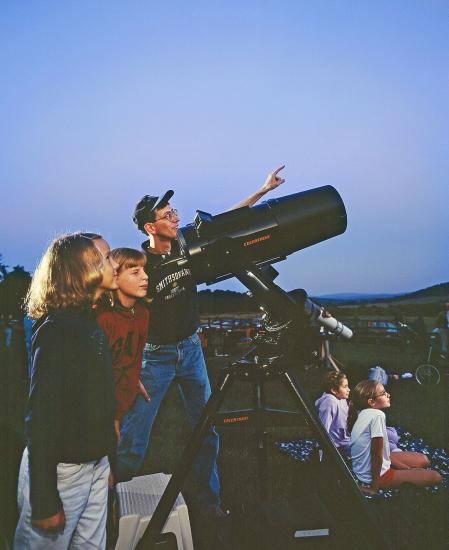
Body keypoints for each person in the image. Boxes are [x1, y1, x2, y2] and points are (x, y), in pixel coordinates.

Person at [117, 166, 285, 516]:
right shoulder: (140, 265)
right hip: (156, 357)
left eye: (174, 212)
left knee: (206, 429)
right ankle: (113, 505)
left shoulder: (185, 242)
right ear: (150, 227)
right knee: (134, 439)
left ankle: (211, 506)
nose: (175, 218)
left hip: (190, 352)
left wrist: (263, 190)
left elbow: (226, 219)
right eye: (167, 215)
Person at [13, 233, 119, 549]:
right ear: (80, 272)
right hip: (63, 471)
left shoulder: (88, 323)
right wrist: (45, 499)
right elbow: (41, 417)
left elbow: (99, 401)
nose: (111, 263)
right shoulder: (58, 330)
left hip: (95, 463)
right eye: (103, 259)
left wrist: (108, 460)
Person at [348, 380, 442, 494]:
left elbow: (379, 452)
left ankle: (408, 473)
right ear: (371, 402)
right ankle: (391, 478)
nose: (388, 394)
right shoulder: (377, 416)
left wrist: (407, 469)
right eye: (383, 393)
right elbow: (376, 454)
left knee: (424, 460)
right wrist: (374, 487)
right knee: (436, 477)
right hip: (377, 475)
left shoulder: (364, 413)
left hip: (372, 465)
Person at [95, 248, 150, 441]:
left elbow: (132, 357)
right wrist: (111, 416)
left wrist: (134, 378)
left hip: (123, 403)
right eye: (135, 272)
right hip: (99, 408)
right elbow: (96, 374)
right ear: (114, 277)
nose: (145, 277)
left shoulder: (142, 314)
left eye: (144, 270)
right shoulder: (103, 319)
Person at [315, 372, 351, 455]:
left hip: (345, 439)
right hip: (337, 445)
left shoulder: (342, 398)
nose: (348, 389)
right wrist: (321, 450)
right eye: (345, 387)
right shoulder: (329, 402)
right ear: (334, 390)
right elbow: (323, 427)